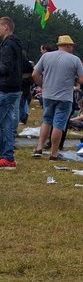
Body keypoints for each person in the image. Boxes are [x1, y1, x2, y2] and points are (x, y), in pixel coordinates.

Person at [31, 35, 83, 159]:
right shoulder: (75, 59)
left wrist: (43, 85)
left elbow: (35, 74)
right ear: (67, 45)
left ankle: (39, 147)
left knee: (46, 121)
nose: (72, 48)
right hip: (64, 97)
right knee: (58, 124)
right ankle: (53, 153)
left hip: (48, 95)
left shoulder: (46, 56)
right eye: (71, 45)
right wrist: (74, 78)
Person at [0, 16, 25, 169]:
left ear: (6, 27)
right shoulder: (16, 44)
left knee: (5, 123)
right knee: (7, 123)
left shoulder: (8, 45)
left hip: (5, 88)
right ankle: (8, 157)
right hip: (13, 88)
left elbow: (5, 67)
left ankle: (7, 155)